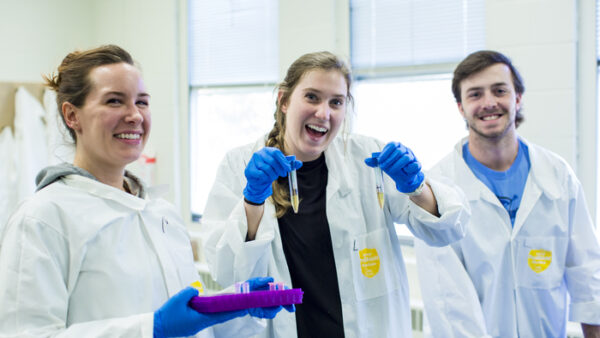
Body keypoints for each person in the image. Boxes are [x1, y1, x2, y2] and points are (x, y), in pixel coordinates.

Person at [0, 45, 289, 338]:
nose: (135, 115)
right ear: (72, 115)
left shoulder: (160, 214)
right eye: (114, 101)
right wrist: (150, 329)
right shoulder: (42, 219)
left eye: (142, 102)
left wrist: (232, 306)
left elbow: (189, 323)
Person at [199, 51, 470, 338]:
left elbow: (448, 230)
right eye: (312, 97)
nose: (323, 113)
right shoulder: (240, 164)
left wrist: (417, 186)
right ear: (284, 100)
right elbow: (225, 269)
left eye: (336, 102)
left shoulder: (369, 160)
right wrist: (252, 200)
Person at [414, 50, 600, 337]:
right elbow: (449, 303)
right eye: (475, 94)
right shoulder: (437, 188)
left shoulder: (557, 175)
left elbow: (586, 271)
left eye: (499, 90)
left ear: (517, 98)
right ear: (461, 108)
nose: (489, 102)